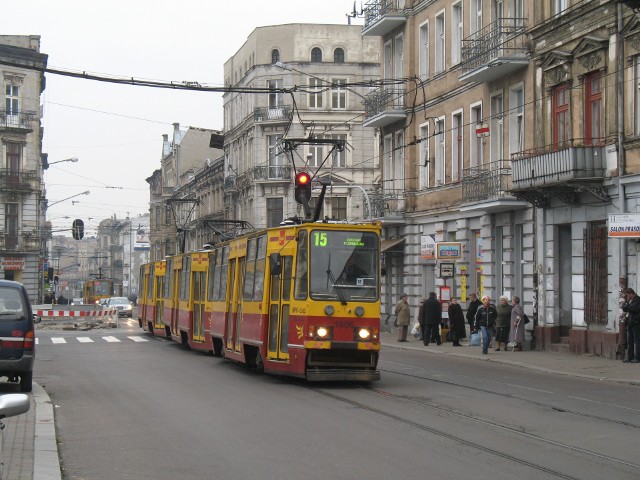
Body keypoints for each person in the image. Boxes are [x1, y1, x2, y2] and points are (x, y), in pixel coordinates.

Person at [622, 288, 640, 363]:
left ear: (632, 293)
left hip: (636, 323)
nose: (628, 297)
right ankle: (630, 357)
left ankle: (637, 357)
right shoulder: (629, 301)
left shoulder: (638, 300)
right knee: (630, 341)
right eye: (627, 295)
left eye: (628, 295)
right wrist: (627, 304)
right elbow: (624, 308)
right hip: (630, 322)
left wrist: (627, 306)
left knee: (637, 341)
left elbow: (634, 308)